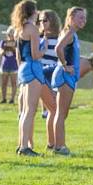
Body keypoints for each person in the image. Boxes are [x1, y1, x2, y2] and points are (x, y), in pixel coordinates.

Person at [51, 7, 87, 155]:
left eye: (84, 18)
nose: (83, 20)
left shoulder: (73, 34)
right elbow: (58, 49)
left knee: (63, 113)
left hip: (69, 77)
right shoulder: (70, 33)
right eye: (80, 17)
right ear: (71, 18)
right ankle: (59, 147)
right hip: (65, 76)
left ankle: (58, 144)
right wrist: (65, 65)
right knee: (60, 113)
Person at [13, 0, 45, 156]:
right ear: (33, 11)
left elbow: (18, 56)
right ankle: (25, 147)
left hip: (23, 68)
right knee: (30, 110)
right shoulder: (32, 28)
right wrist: (44, 48)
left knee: (25, 110)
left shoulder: (18, 29)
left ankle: (21, 144)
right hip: (33, 67)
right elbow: (35, 54)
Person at [38, 9, 61, 150]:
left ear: (52, 21)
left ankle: (52, 143)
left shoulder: (60, 39)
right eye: (39, 21)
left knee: (54, 111)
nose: (41, 23)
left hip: (54, 77)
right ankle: (51, 144)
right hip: (41, 77)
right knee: (53, 110)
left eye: (44, 20)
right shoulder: (39, 39)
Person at [0, 26, 18, 104]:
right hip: (5, 65)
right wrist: (6, 48)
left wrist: (13, 48)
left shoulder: (16, 43)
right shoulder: (3, 42)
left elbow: (18, 54)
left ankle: (12, 99)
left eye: (11, 34)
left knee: (13, 83)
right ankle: (4, 98)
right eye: (9, 34)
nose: (10, 36)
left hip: (14, 65)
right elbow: (1, 53)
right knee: (4, 83)